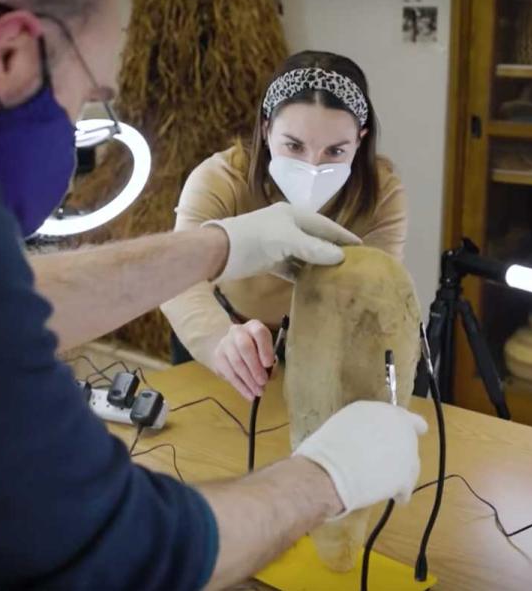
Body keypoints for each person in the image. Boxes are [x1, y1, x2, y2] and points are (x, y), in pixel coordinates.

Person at [0, 0, 426, 589]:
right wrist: (329, 476)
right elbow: (111, 551)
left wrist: (214, 248)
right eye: (88, 97)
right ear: (8, 55)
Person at [162, 50, 408, 402]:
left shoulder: (381, 193)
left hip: (326, 344)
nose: (312, 166)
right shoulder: (220, 178)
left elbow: (376, 291)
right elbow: (176, 274)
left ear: (361, 139)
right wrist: (218, 338)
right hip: (226, 333)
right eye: (293, 145)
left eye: (335, 151)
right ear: (265, 129)